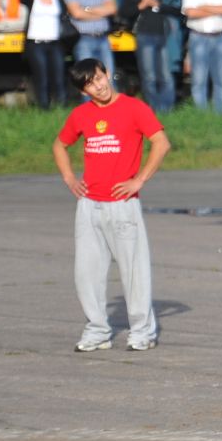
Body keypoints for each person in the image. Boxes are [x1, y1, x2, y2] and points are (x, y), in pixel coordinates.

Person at [54, 58, 169, 350]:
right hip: (90, 204)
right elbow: (60, 145)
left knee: (134, 271)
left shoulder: (134, 108)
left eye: (99, 77)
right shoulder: (81, 114)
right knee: (87, 273)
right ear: (84, 91)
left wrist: (139, 179)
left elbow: (161, 142)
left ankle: (142, 331)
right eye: (90, 84)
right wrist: (69, 178)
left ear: (107, 73)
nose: (99, 86)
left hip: (123, 203)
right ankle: (97, 329)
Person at [125, 0, 180, 113]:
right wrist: (141, 5)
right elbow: (124, 13)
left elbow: (176, 9)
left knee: (166, 75)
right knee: (149, 76)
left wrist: (158, 6)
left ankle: (167, 109)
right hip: (144, 36)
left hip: (164, 37)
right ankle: (152, 109)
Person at [22, 0, 68, 107]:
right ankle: (44, 106)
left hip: (55, 42)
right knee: (42, 77)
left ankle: (62, 104)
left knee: (59, 75)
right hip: (36, 43)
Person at [64, 0, 116, 70]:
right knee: (87, 78)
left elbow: (112, 9)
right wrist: (101, 12)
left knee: (108, 77)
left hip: (103, 39)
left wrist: (87, 9)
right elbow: (77, 14)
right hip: (83, 40)